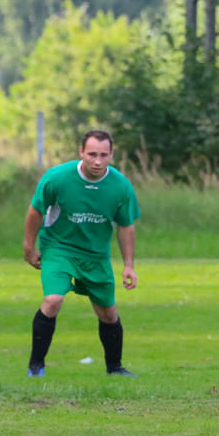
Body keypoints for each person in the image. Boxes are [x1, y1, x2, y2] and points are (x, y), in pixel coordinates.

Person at [23, 129, 141, 377]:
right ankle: (36, 366)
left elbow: (126, 226)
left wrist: (128, 264)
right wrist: (29, 247)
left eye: (103, 155)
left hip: (96, 256)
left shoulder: (120, 186)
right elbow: (36, 211)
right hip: (59, 248)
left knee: (108, 314)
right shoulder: (57, 178)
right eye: (92, 154)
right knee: (53, 299)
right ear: (81, 153)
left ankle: (115, 368)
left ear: (112, 154)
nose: (97, 161)